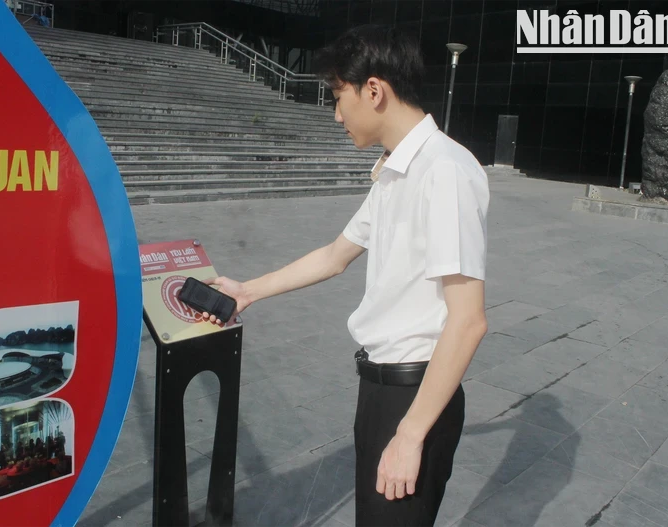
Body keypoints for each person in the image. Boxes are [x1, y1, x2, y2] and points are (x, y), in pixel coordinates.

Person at [200, 24, 490, 527]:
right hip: (381, 389)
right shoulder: (397, 170)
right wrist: (247, 290)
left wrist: (409, 434)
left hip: (414, 393)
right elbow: (336, 254)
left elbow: (468, 321)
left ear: (373, 90)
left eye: (338, 96)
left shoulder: (443, 171)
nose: (335, 114)